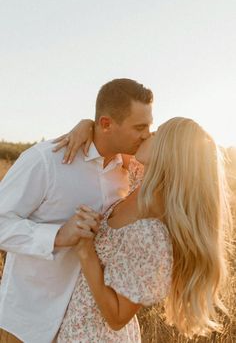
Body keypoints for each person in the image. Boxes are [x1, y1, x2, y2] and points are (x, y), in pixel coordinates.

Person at [0, 78, 153, 343]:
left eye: (149, 125)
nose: (147, 134)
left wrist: (87, 123)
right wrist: (58, 235)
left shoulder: (131, 169)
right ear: (106, 123)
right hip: (30, 323)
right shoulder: (46, 161)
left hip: (86, 328)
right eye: (140, 127)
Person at [54, 117, 232, 342]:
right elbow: (113, 140)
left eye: (156, 133)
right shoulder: (143, 182)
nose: (147, 135)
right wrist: (88, 124)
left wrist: (85, 250)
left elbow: (117, 317)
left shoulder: (151, 233)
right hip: (75, 326)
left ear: (167, 153)